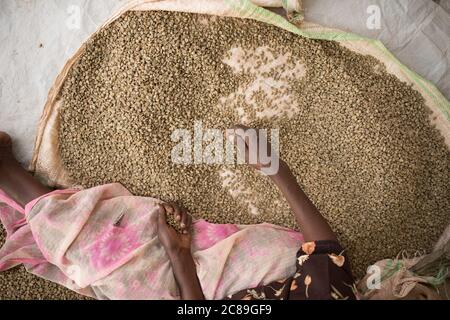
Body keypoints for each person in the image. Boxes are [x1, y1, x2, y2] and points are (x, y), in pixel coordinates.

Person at [0, 128, 356, 300]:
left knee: (118, 263)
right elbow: (325, 254)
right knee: (144, 228)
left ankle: (12, 180)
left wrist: (179, 255)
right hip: (267, 276)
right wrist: (277, 170)